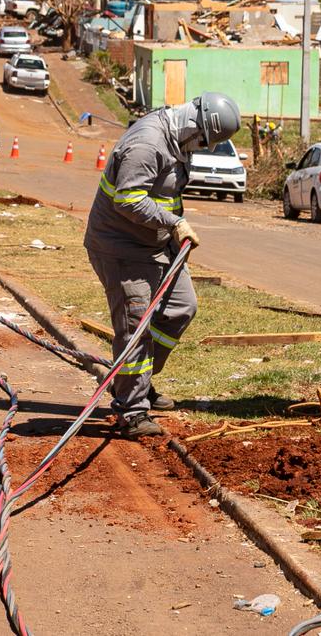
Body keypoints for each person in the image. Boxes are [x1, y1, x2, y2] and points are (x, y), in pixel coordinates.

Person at [83, 93, 241, 438]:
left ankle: (139, 382)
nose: (201, 149)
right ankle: (131, 411)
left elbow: (166, 192)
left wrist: (172, 232)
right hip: (121, 247)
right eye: (203, 142)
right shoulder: (148, 143)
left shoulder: (178, 139)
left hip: (156, 245)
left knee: (181, 308)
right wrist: (173, 222)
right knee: (136, 326)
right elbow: (128, 199)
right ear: (195, 126)